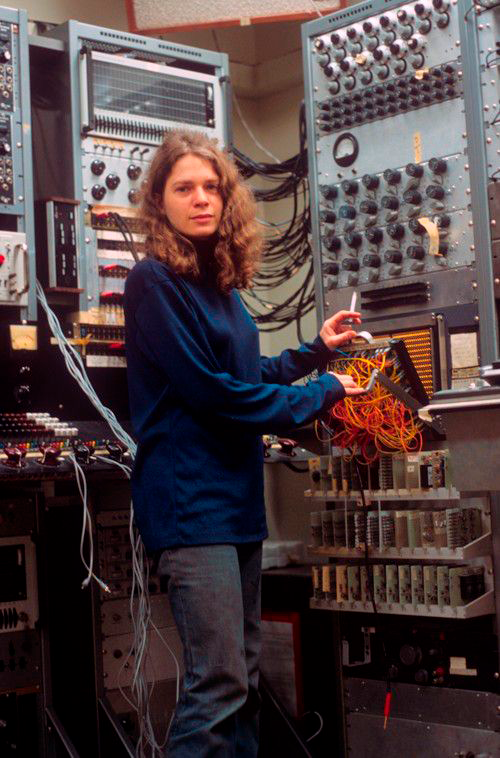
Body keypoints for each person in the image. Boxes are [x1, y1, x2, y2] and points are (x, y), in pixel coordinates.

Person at [124, 129, 364, 757]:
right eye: (184, 188)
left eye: (211, 187)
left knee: (245, 681)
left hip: (236, 503)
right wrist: (322, 394)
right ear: (160, 200)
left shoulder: (219, 285)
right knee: (219, 684)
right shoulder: (153, 282)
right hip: (191, 506)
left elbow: (245, 373)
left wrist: (315, 353)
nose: (201, 198)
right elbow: (213, 393)